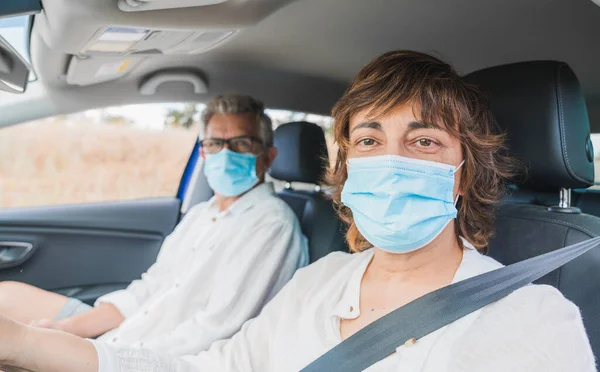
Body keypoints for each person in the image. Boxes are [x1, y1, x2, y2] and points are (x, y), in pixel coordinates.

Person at [0, 51, 594, 372]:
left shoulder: (533, 318)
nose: (390, 160)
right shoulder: (321, 282)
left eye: (423, 142)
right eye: (367, 141)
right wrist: (29, 347)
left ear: (463, 173)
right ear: (347, 168)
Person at [0, 94, 308, 358]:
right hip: (130, 333)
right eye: (215, 143)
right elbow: (150, 288)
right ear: (203, 152)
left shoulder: (271, 226)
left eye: (241, 143)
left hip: (153, 357)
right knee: (7, 296)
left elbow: (215, 332)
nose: (225, 154)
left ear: (267, 157)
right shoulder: (202, 214)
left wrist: (101, 355)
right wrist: (65, 330)